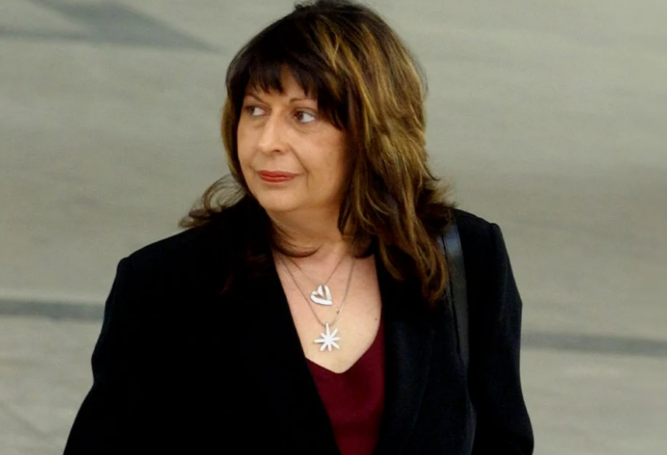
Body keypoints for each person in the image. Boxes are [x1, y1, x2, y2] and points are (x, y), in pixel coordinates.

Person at [63, 1, 534, 454]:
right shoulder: (165, 282)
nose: (267, 141)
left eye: (302, 115)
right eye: (255, 110)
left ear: (372, 130)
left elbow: (502, 440)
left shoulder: (465, 258)